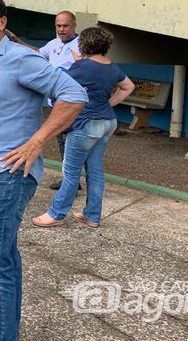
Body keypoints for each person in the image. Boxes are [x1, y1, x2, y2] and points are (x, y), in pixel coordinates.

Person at [0, 0, 87, 341]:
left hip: (6, 175)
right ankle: (0, 329)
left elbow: (74, 95)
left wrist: (36, 141)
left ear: (2, 22)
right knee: (3, 257)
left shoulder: (21, 59)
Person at [33, 27, 135, 229]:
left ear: (83, 44)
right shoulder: (112, 67)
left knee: (71, 173)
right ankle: (92, 216)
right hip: (107, 122)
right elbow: (128, 86)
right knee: (95, 171)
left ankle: (56, 214)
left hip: (85, 124)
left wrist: (77, 63)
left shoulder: (81, 67)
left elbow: (58, 89)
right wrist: (109, 104)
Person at [12, 11, 81, 190]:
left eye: (65, 26)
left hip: (72, 103)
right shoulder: (54, 43)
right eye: (58, 26)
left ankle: (70, 183)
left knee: (72, 142)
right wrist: (18, 42)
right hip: (55, 102)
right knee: (62, 141)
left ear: (74, 26)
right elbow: (39, 53)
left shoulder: (81, 45)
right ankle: (71, 180)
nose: (61, 29)